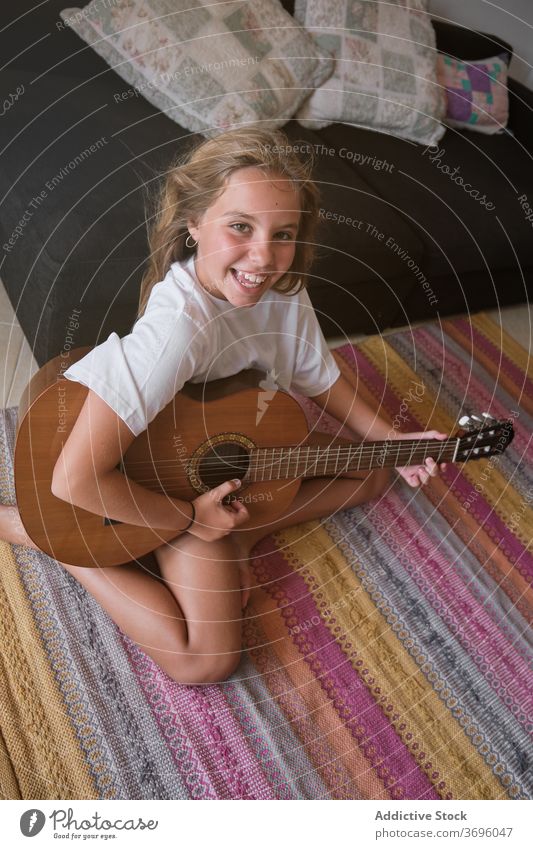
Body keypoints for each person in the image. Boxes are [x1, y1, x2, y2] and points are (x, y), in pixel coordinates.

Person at [0, 126, 447, 685]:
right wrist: (191, 517)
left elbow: (315, 373)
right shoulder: (176, 332)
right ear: (194, 225)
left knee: (375, 474)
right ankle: (55, 542)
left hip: (212, 435)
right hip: (140, 483)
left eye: (283, 233)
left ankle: (239, 531)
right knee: (206, 660)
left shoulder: (279, 289)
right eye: (240, 226)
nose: (264, 256)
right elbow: (74, 480)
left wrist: (389, 440)